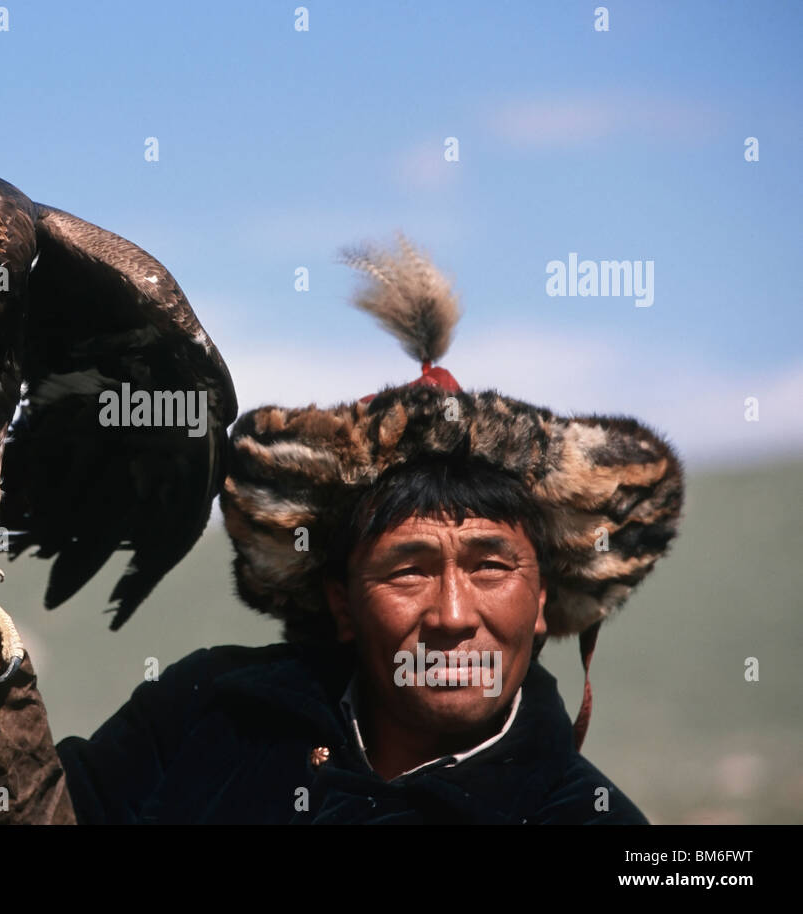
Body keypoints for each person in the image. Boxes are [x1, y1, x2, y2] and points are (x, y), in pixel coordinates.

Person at [54, 238, 686, 824]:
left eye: (491, 566)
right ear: (341, 601)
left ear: (544, 597)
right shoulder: (206, 712)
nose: (452, 616)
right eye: (409, 569)